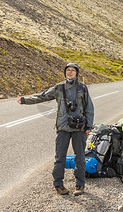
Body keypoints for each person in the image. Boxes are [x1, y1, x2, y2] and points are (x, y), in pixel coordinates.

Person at [17, 62, 94, 196]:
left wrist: (89, 126)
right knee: (60, 157)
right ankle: (58, 184)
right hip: (63, 128)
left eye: (72, 70)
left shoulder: (82, 88)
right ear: (65, 72)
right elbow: (42, 96)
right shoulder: (58, 87)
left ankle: (80, 184)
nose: (70, 72)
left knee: (80, 158)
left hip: (79, 128)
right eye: (68, 70)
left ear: (77, 73)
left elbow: (89, 107)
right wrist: (24, 100)